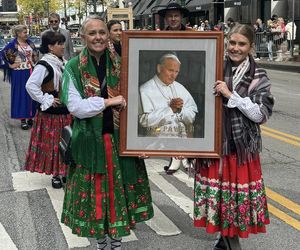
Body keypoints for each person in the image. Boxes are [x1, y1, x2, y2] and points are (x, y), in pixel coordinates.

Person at [60, 16, 153, 250]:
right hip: (90, 143)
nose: (98, 37)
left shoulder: (121, 63)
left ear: (108, 35)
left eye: (102, 32)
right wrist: (108, 102)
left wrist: (144, 139)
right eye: (92, 33)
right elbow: (76, 108)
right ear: (82, 37)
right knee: (96, 197)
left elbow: (138, 101)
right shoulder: (73, 66)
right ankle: (102, 242)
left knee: (117, 196)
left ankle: (116, 242)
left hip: (119, 142)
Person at [193, 24, 274, 250]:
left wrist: (231, 95)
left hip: (239, 149)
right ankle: (225, 240)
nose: (235, 48)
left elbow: (260, 114)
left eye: (241, 44)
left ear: (250, 47)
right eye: (232, 43)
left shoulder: (258, 75)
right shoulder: (214, 67)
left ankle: (230, 242)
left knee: (233, 198)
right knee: (220, 196)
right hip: (214, 144)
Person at [24, 31, 72, 189]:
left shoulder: (61, 62)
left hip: (64, 111)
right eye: (60, 44)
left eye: (62, 43)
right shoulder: (44, 64)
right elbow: (31, 86)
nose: (63, 46)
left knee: (66, 142)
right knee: (54, 145)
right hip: (51, 114)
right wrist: (47, 99)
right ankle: (56, 175)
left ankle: (64, 171)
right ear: (50, 47)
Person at [139, 53, 198, 174]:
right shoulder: (145, 89)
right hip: (157, 145)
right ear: (159, 68)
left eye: (176, 71)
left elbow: (192, 114)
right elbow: (144, 121)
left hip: (183, 142)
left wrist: (181, 110)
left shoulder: (180, 87)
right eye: (170, 70)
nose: (173, 75)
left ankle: (182, 160)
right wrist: (170, 110)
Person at [158, 2, 193, 173]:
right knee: (170, 118)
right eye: (170, 16)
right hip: (167, 81)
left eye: (176, 15)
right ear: (165, 18)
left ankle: (187, 156)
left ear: (181, 17)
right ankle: (174, 157)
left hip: (188, 80)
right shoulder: (158, 37)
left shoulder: (193, 35)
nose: (173, 19)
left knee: (186, 118)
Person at [1, 25, 38, 130]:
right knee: (21, 95)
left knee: (32, 94)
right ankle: (23, 119)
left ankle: (31, 117)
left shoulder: (30, 43)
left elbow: (36, 55)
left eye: (27, 32)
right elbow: (2, 56)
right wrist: (10, 65)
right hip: (19, 74)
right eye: (24, 32)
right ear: (18, 34)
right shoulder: (12, 45)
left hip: (31, 72)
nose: (27, 34)